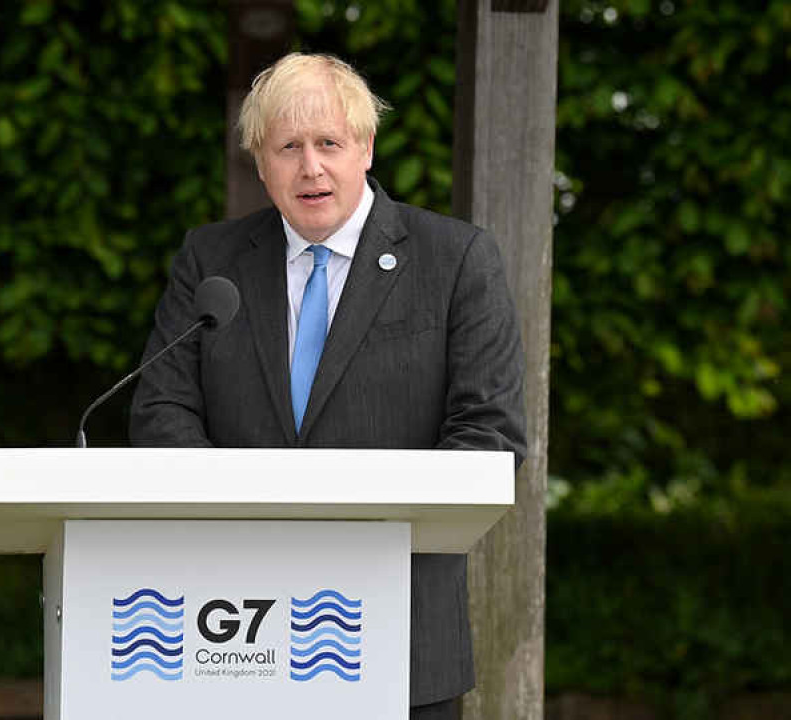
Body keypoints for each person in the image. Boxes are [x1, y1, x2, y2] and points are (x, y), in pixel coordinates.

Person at [130, 52, 526, 719]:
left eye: (329, 144)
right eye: (288, 147)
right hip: (233, 634)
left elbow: (489, 437)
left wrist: (362, 529)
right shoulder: (211, 260)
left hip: (401, 640)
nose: (310, 167)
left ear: (365, 148)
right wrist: (245, 523)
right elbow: (162, 409)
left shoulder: (456, 260)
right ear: (260, 161)